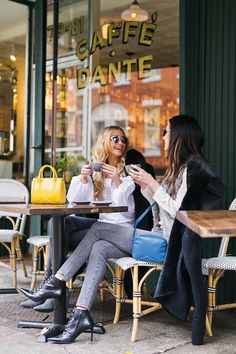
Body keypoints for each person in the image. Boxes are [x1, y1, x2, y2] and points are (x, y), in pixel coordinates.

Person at [20, 115, 224, 345]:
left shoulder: (192, 170)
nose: (163, 137)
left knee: (97, 228)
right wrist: (146, 185)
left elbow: (180, 213)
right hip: (155, 237)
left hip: (169, 243)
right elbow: (159, 207)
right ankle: (80, 314)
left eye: (166, 132)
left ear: (179, 136)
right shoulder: (177, 169)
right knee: (98, 247)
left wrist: (151, 183)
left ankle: (55, 283)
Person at [21, 125, 135, 311]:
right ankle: (51, 290)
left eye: (123, 140)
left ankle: (51, 287)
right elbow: (74, 203)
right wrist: (83, 180)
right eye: (115, 138)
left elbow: (126, 211)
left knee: (82, 235)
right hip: (102, 227)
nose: (121, 143)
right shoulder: (95, 171)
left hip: (120, 230)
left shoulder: (128, 172)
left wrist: (116, 180)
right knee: (62, 225)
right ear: (104, 141)